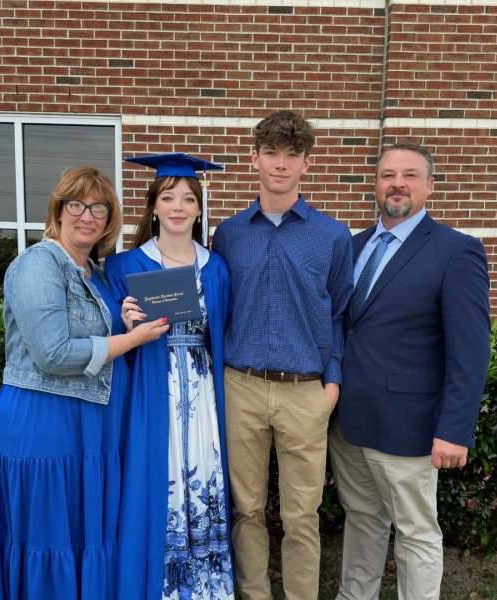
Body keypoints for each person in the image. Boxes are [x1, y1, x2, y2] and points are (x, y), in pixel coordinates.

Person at [0, 167, 169, 600]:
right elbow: (53, 353)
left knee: (83, 533)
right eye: (77, 205)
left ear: (109, 218)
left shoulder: (96, 272)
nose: (87, 216)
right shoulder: (37, 264)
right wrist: (131, 338)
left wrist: (124, 323)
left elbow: (98, 336)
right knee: (50, 536)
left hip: (92, 428)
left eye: (99, 208)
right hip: (46, 425)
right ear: (59, 209)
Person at [329, 142, 491, 600]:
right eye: (387, 175)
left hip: (410, 424)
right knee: (361, 519)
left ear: (429, 187)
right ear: (375, 185)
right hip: (349, 422)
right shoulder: (353, 245)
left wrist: (455, 429)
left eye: (410, 175)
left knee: (416, 531)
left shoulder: (457, 251)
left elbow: (471, 349)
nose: (397, 183)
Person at [211, 111, 354, 600]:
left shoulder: (332, 236)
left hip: (305, 392)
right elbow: (219, 308)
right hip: (241, 385)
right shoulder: (229, 235)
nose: (280, 164)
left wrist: (331, 381)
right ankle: (253, 594)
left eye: (292, 155)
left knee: (301, 515)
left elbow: (337, 313)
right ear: (254, 157)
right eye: (271, 152)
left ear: (307, 164)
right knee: (246, 508)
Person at [105, 153, 235, 600]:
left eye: (187, 199)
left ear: (199, 210)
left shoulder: (215, 268)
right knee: (153, 478)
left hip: (202, 391)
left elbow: (223, 333)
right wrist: (123, 320)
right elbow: (106, 341)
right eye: (168, 197)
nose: (178, 207)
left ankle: (203, 586)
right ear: (154, 206)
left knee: (204, 475)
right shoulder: (124, 267)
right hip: (149, 390)